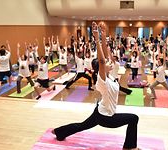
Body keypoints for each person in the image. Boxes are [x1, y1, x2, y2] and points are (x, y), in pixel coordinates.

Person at [52, 22, 139, 150]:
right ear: (101, 68)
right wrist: (96, 38)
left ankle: (59, 132)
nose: (109, 62)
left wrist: (103, 36)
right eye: (105, 63)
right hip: (106, 117)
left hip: (100, 110)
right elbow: (103, 61)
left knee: (82, 125)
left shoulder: (109, 75)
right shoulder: (102, 79)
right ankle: (129, 147)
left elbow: (104, 55)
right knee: (133, 119)